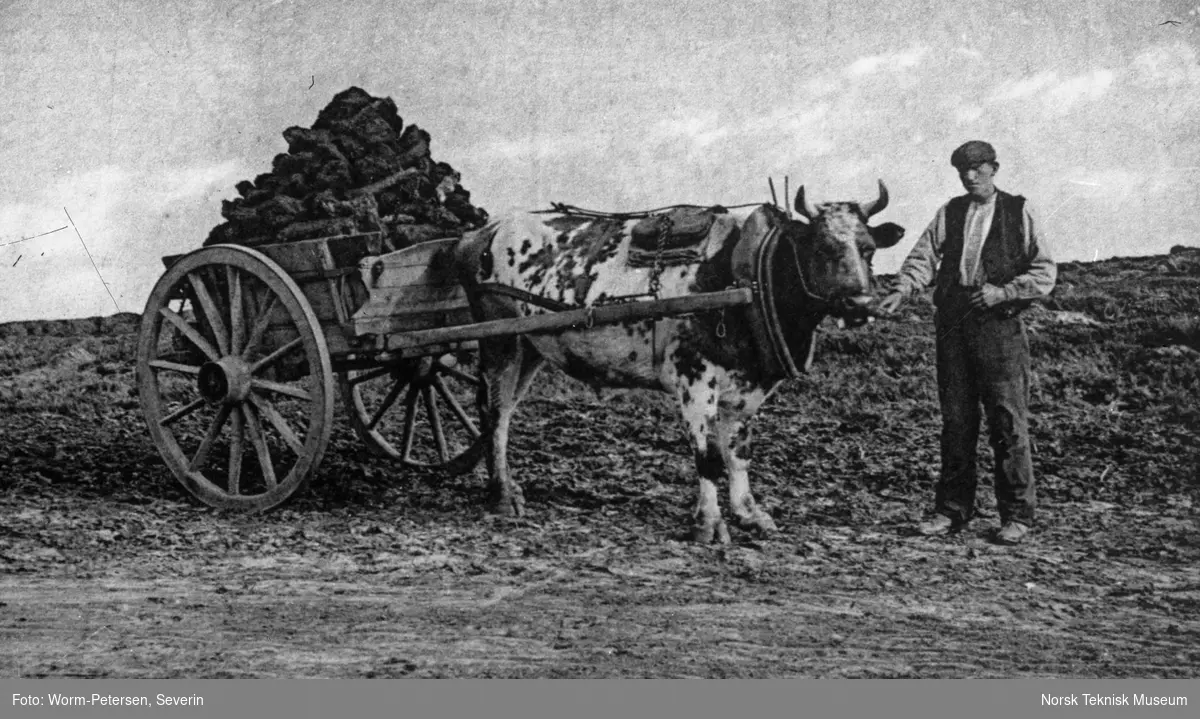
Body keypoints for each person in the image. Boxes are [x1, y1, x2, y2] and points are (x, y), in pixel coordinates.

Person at [877, 141, 1056, 545]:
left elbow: (1045, 271)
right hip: (953, 325)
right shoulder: (951, 212)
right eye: (963, 170)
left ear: (994, 168)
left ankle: (1017, 516)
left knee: (1007, 422)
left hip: (998, 328)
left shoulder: (1019, 210)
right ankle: (952, 511)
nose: (970, 176)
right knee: (956, 423)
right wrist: (902, 289)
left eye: (978, 169)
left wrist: (1004, 293)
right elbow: (923, 256)